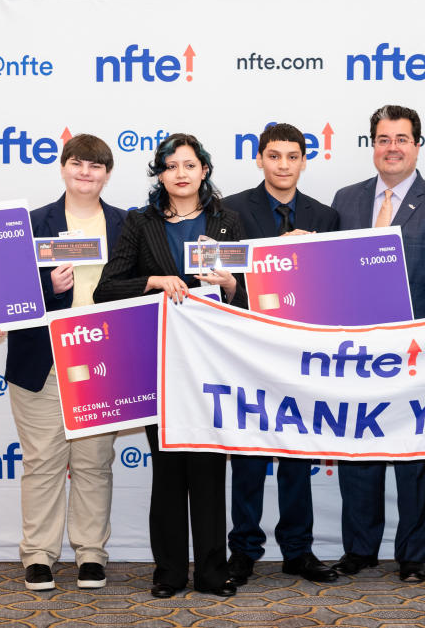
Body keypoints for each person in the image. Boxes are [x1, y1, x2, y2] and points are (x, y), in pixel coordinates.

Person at [93, 133, 246, 599]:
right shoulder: (140, 223)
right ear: (160, 174)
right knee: (169, 471)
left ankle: (213, 573)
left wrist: (232, 286)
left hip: (213, 365)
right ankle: (169, 573)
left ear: (204, 170)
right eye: (171, 165)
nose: (181, 173)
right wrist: (154, 281)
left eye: (189, 164)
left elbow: (256, 298)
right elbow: (106, 289)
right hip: (159, 364)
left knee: (209, 472)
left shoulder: (228, 222)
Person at [330, 105, 425, 582]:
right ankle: (360, 549)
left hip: (417, 357)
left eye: (402, 139)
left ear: (417, 145)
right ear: (372, 146)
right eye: (383, 139)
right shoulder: (345, 201)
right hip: (356, 356)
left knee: (418, 463)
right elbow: (331, 280)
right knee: (360, 460)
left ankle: (413, 556)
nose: (392, 147)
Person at [3, 134, 126, 591]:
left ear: (107, 174)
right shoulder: (33, 225)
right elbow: (8, 295)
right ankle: (38, 554)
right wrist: (47, 290)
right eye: (77, 163)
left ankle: (91, 554)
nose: (86, 172)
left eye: (96, 166)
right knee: (42, 461)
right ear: (63, 168)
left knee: (94, 462)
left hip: (103, 359)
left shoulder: (126, 224)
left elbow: (136, 286)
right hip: (43, 358)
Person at [221, 123, 339, 585]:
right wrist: (276, 258)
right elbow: (225, 283)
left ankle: (298, 551)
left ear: (304, 161)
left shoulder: (325, 217)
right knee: (249, 455)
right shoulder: (229, 210)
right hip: (248, 349)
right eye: (274, 156)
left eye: (293, 156)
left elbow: (334, 287)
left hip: (302, 353)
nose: (283, 165)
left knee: (296, 455)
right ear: (259, 159)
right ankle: (244, 551)